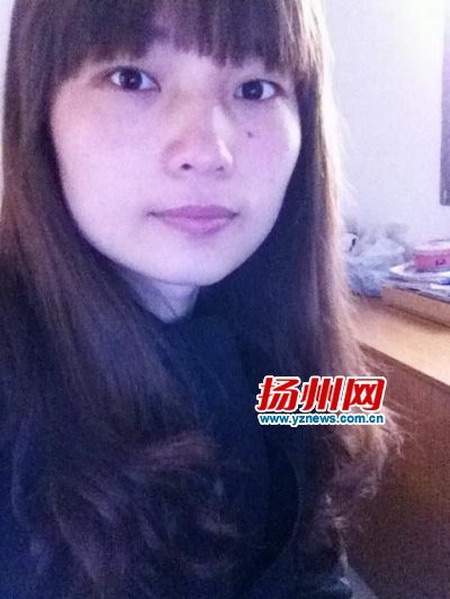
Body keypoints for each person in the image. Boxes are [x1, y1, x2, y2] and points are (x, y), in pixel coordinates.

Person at [0, 0, 403, 597]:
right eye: (131, 78)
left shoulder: (271, 342)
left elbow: (315, 551)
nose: (210, 151)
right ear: (39, 114)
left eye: (255, 88)